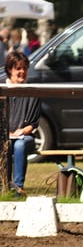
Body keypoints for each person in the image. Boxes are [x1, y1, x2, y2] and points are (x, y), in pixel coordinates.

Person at [5, 51, 40, 197]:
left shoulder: (32, 92)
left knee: (19, 144)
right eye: (18, 68)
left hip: (25, 138)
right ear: (10, 70)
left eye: (25, 68)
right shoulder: (2, 91)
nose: (22, 72)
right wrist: (7, 134)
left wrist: (22, 132)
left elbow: (33, 124)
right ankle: (5, 185)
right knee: (5, 144)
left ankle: (18, 188)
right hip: (5, 136)